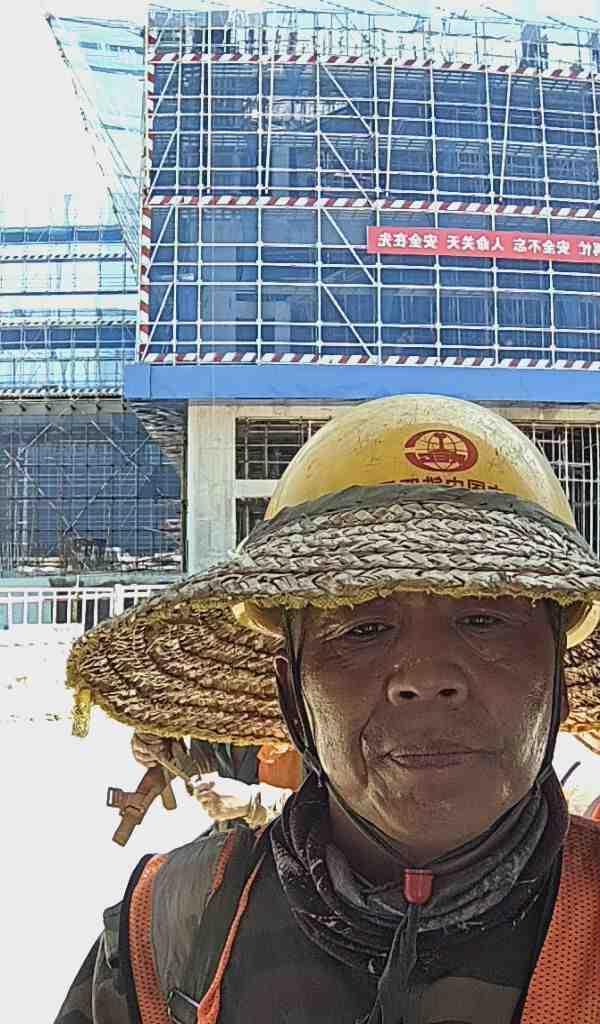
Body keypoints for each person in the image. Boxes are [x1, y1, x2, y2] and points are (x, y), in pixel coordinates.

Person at [56, 394, 600, 1024]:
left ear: (557, 682)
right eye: (364, 630)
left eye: (484, 620)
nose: (425, 679)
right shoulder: (166, 929)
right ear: (292, 696)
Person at [130, 731, 301, 827]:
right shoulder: (217, 696)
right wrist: (164, 749)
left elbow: (315, 812)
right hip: (233, 839)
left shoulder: (301, 699)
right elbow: (203, 761)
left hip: (293, 847)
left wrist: (252, 803)